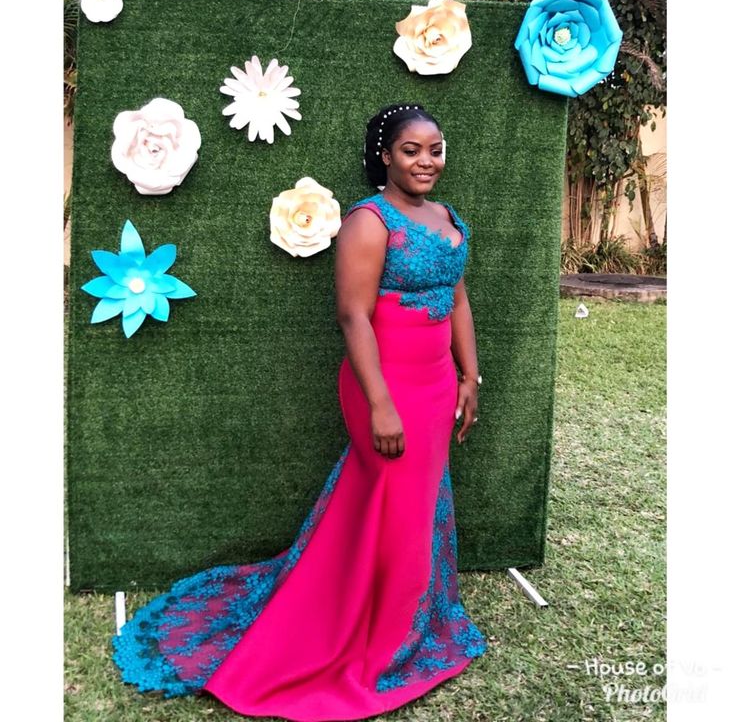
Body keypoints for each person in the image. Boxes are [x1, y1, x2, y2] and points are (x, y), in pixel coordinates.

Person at [111, 103, 487, 721]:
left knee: (407, 501)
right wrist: (381, 405)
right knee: (395, 502)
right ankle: (384, 644)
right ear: (385, 156)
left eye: (435, 149)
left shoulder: (447, 218)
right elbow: (353, 317)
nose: (426, 161)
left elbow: (458, 296)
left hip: (436, 382)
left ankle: (401, 612)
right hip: (383, 386)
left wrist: (469, 375)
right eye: (412, 150)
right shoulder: (369, 222)